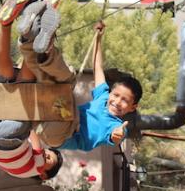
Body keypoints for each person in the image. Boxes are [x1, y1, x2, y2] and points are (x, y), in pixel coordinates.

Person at [0, 0, 64, 180]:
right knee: (3, 73)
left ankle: (38, 25)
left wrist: (36, 126)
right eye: (48, 154)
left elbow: (34, 140)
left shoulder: (37, 168)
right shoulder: (16, 170)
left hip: (9, 139)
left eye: (49, 158)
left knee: (27, 85)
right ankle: (6, 24)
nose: (44, 153)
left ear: (44, 174)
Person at [57, 21, 143, 152]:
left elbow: (116, 136)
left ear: (133, 107)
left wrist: (117, 135)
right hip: (64, 117)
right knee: (62, 78)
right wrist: (98, 38)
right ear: (110, 93)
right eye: (115, 95)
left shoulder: (117, 126)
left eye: (125, 100)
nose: (117, 102)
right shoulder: (103, 96)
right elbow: (98, 68)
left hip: (67, 137)